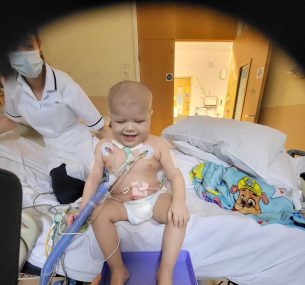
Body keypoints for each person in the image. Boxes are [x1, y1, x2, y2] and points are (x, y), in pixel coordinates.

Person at [69, 80, 190, 285]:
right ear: (110, 118)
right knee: (98, 213)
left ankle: (165, 271)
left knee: (178, 217)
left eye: (139, 121)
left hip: (154, 199)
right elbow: (94, 178)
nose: (130, 128)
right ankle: (118, 270)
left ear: (150, 115)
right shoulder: (103, 147)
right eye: (120, 121)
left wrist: (179, 203)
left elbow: (176, 176)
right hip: (121, 204)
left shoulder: (158, 145)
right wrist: (83, 207)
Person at [0, 32, 112, 204]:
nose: (22, 54)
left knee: (115, 177)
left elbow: (100, 127)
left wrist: (131, 150)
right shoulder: (12, 86)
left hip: (80, 141)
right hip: (56, 149)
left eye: (28, 46)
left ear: (39, 46)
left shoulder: (64, 84)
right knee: (66, 195)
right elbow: (10, 120)